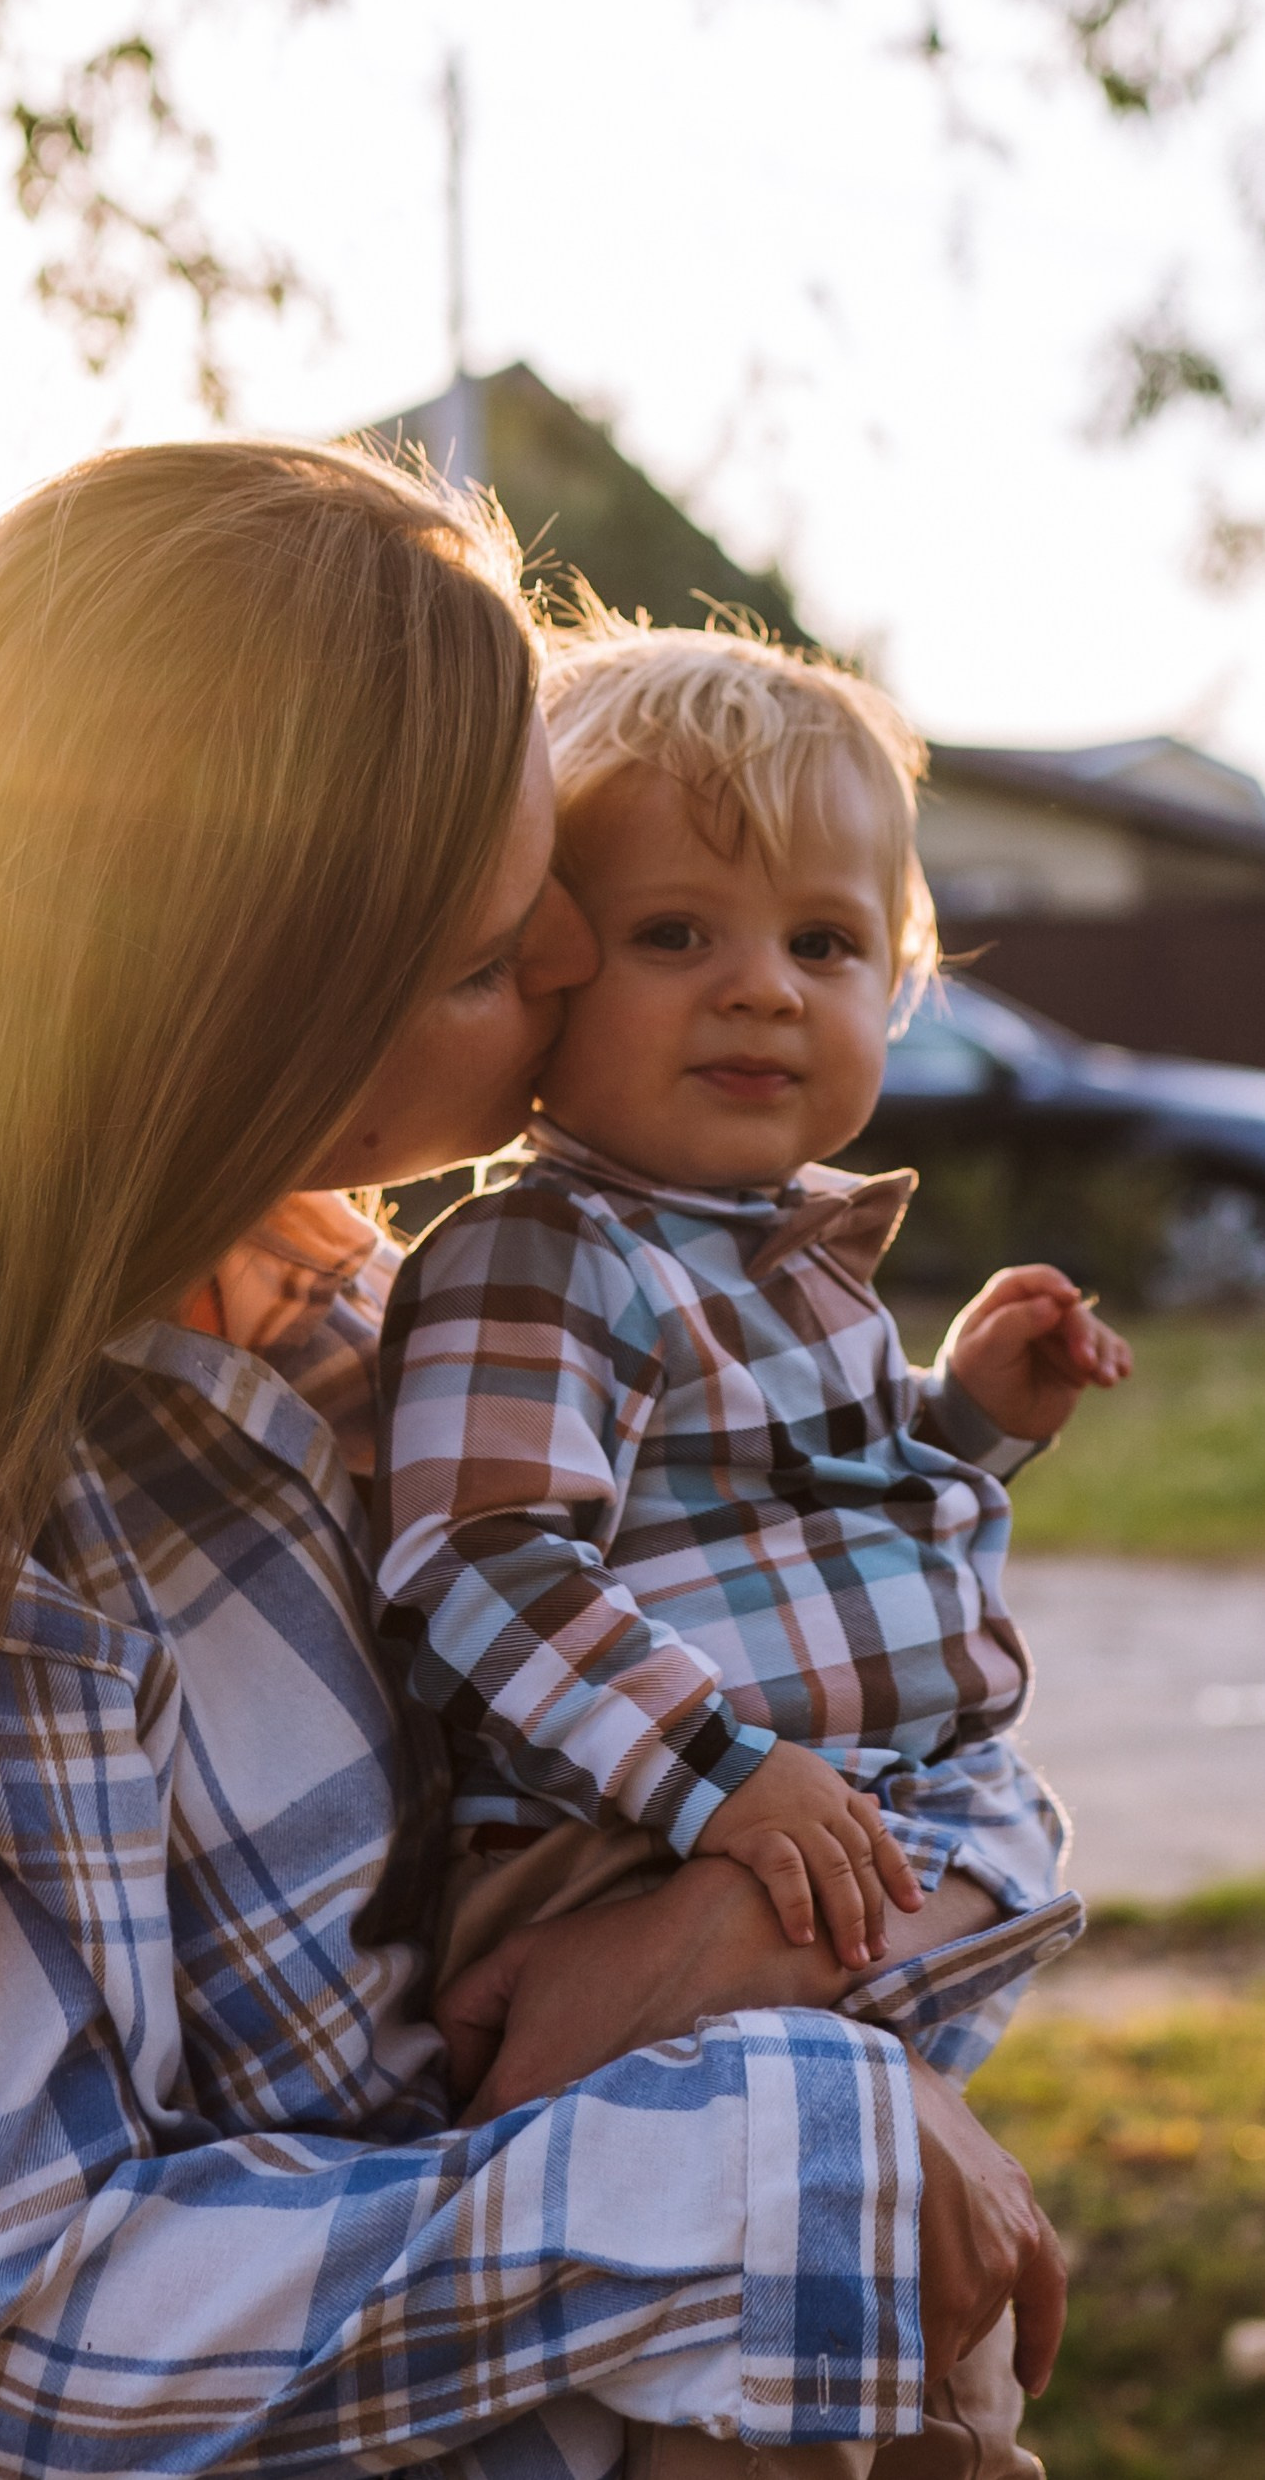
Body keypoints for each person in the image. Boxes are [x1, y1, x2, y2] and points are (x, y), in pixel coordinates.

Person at [0, 445, 1065, 2478]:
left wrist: (730, 1947)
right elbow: (43, 2302)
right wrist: (776, 2164)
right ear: (227, 1012)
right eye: (485, 955)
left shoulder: (385, 1335)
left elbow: (954, 1774)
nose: (574, 963)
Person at [375, 614, 1129, 2478]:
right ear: (546, 973)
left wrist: (967, 1419)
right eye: (673, 936)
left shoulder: (789, 1260)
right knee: (752, 2360)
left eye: (822, 943)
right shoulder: (548, 1254)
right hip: (624, 1849)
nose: (761, 992)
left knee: (896, 2357)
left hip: (799, 1824)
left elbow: (786, 1532)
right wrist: (721, 1776)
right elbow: (481, 1558)